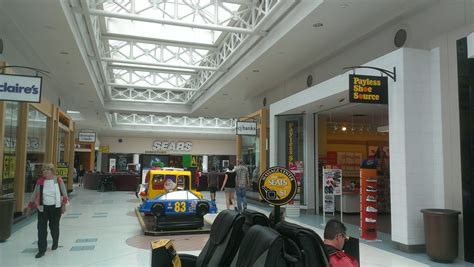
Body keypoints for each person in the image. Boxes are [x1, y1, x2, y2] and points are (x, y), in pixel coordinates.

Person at [26, 164, 68, 259]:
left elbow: (64, 194)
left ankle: (55, 242)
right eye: (44, 170)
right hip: (42, 208)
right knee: (41, 229)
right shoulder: (40, 181)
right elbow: (34, 195)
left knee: (54, 227)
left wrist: (64, 205)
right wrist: (29, 207)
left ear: (52, 171)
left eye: (47, 170)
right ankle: (41, 250)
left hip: (55, 208)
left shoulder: (58, 180)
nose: (45, 172)